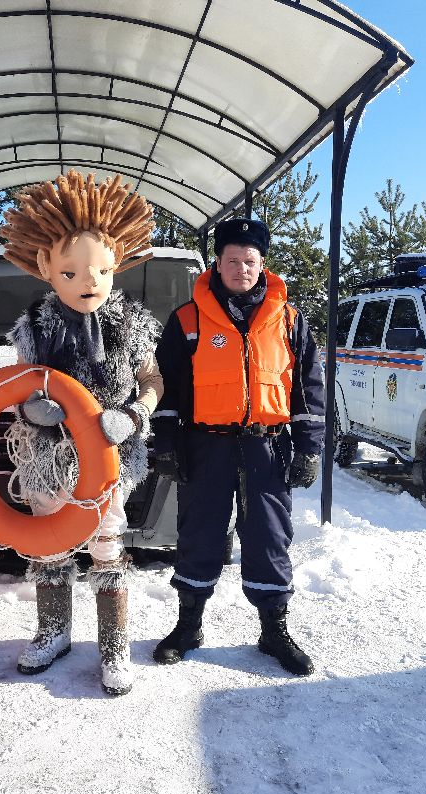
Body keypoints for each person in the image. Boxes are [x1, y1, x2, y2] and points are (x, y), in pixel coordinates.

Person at [1, 170, 162, 695]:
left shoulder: (132, 323)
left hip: (110, 458)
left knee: (107, 544)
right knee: (50, 543)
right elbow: (19, 384)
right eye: (71, 272)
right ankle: (52, 631)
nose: (88, 281)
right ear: (46, 267)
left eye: (100, 270)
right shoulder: (34, 324)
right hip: (48, 460)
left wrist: (135, 414)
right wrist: (32, 412)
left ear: (118, 265)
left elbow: (152, 379)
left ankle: (113, 645)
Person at [151, 218, 325, 676]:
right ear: (218, 262)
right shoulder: (188, 319)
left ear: (262, 263)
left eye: (250, 261)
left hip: (267, 448)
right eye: (233, 261)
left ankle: (273, 631)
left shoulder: (289, 319)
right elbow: (169, 387)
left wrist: (309, 446)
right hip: (206, 446)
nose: (241, 269)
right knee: (199, 533)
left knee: (269, 538)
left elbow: (308, 387)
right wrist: (166, 441)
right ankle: (189, 625)